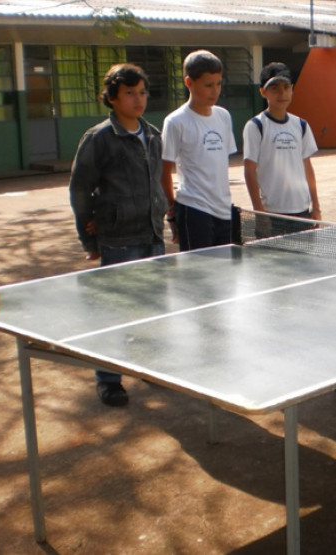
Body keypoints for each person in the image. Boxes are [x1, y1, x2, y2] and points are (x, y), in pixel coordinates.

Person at [69, 63, 170, 406]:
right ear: (111, 98)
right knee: (115, 312)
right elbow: (81, 190)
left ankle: (150, 365)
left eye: (142, 92)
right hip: (119, 239)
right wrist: (89, 239)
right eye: (129, 93)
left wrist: (162, 214)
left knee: (153, 308)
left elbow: (156, 182)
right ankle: (109, 379)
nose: (138, 99)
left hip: (152, 236)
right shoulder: (99, 138)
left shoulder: (153, 134)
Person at [161, 50, 237, 251]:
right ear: (189, 83)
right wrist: (172, 213)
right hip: (193, 209)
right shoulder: (175, 121)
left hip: (224, 211)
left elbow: (219, 164)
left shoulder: (224, 117)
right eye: (208, 85)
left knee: (224, 271)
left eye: (219, 84)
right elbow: (164, 171)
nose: (215, 91)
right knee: (198, 275)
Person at [243, 62, 321, 221]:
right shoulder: (256, 126)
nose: (282, 93)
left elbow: (307, 167)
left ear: (292, 89)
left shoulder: (301, 125)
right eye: (274, 88)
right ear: (263, 92)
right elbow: (249, 170)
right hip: (272, 211)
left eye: (286, 87)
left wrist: (316, 206)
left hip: (302, 210)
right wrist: (259, 211)